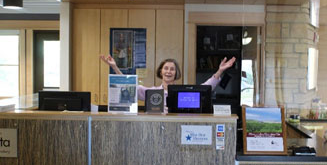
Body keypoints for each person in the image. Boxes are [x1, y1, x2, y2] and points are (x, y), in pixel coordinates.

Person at [100, 55, 236, 108]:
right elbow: (130, 86)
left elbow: (206, 88)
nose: (168, 71)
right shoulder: (151, 92)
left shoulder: (184, 93)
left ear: (176, 73)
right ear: (161, 72)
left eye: (172, 69)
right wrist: (114, 67)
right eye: (166, 68)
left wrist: (220, 71)